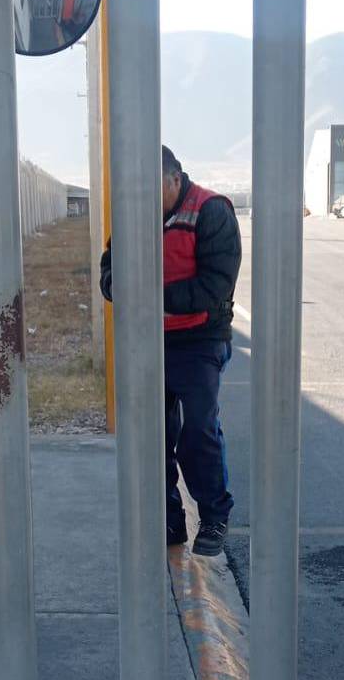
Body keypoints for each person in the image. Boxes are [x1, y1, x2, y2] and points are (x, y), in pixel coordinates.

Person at [99, 146, 242, 557]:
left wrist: (150, 296)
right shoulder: (133, 215)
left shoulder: (211, 211)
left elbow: (216, 285)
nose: (145, 201)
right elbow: (109, 269)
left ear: (175, 179)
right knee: (152, 435)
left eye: (153, 190)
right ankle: (168, 518)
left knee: (198, 429)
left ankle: (214, 516)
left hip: (200, 340)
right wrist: (118, 287)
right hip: (148, 340)